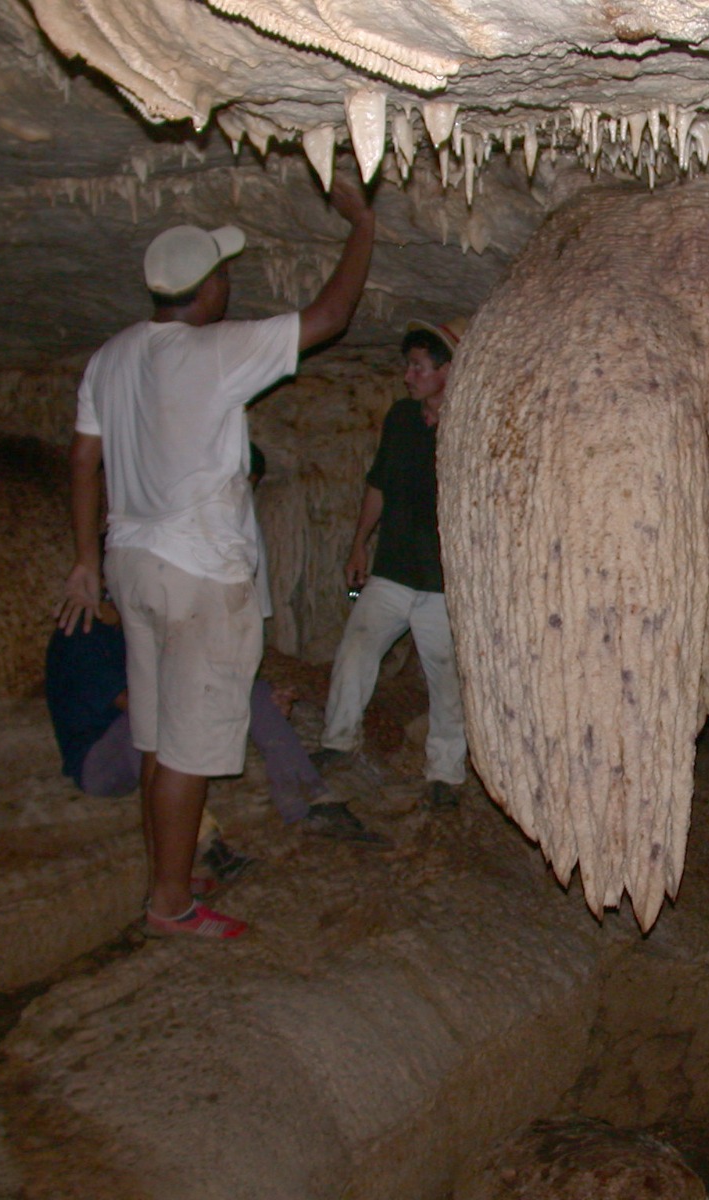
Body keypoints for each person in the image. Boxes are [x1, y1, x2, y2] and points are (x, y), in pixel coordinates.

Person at [57, 175, 376, 940]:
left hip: (131, 565)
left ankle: (165, 877)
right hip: (201, 575)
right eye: (225, 274)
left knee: (159, 741)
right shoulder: (215, 350)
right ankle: (172, 905)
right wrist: (361, 223)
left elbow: (81, 461)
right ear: (209, 291)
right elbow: (331, 315)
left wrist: (83, 558)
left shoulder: (111, 356)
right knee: (192, 749)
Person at [45, 593, 389, 852]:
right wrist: (227, 708)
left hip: (146, 743)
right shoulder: (82, 633)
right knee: (148, 721)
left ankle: (311, 802)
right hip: (100, 763)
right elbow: (139, 705)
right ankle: (206, 844)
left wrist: (249, 703)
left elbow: (194, 684)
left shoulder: (133, 633)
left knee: (252, 691)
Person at [312, 318, 467, 810]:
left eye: (418, 367)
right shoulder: (401, 419)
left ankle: (445, 772)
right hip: (393, 568)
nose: (408, 376)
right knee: (356, 649)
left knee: (446, 678)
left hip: (445, 583)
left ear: (447, 371)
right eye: (409, 367)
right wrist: (360, 543)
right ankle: (337, 741)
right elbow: (378, 484)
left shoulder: (470, 426)